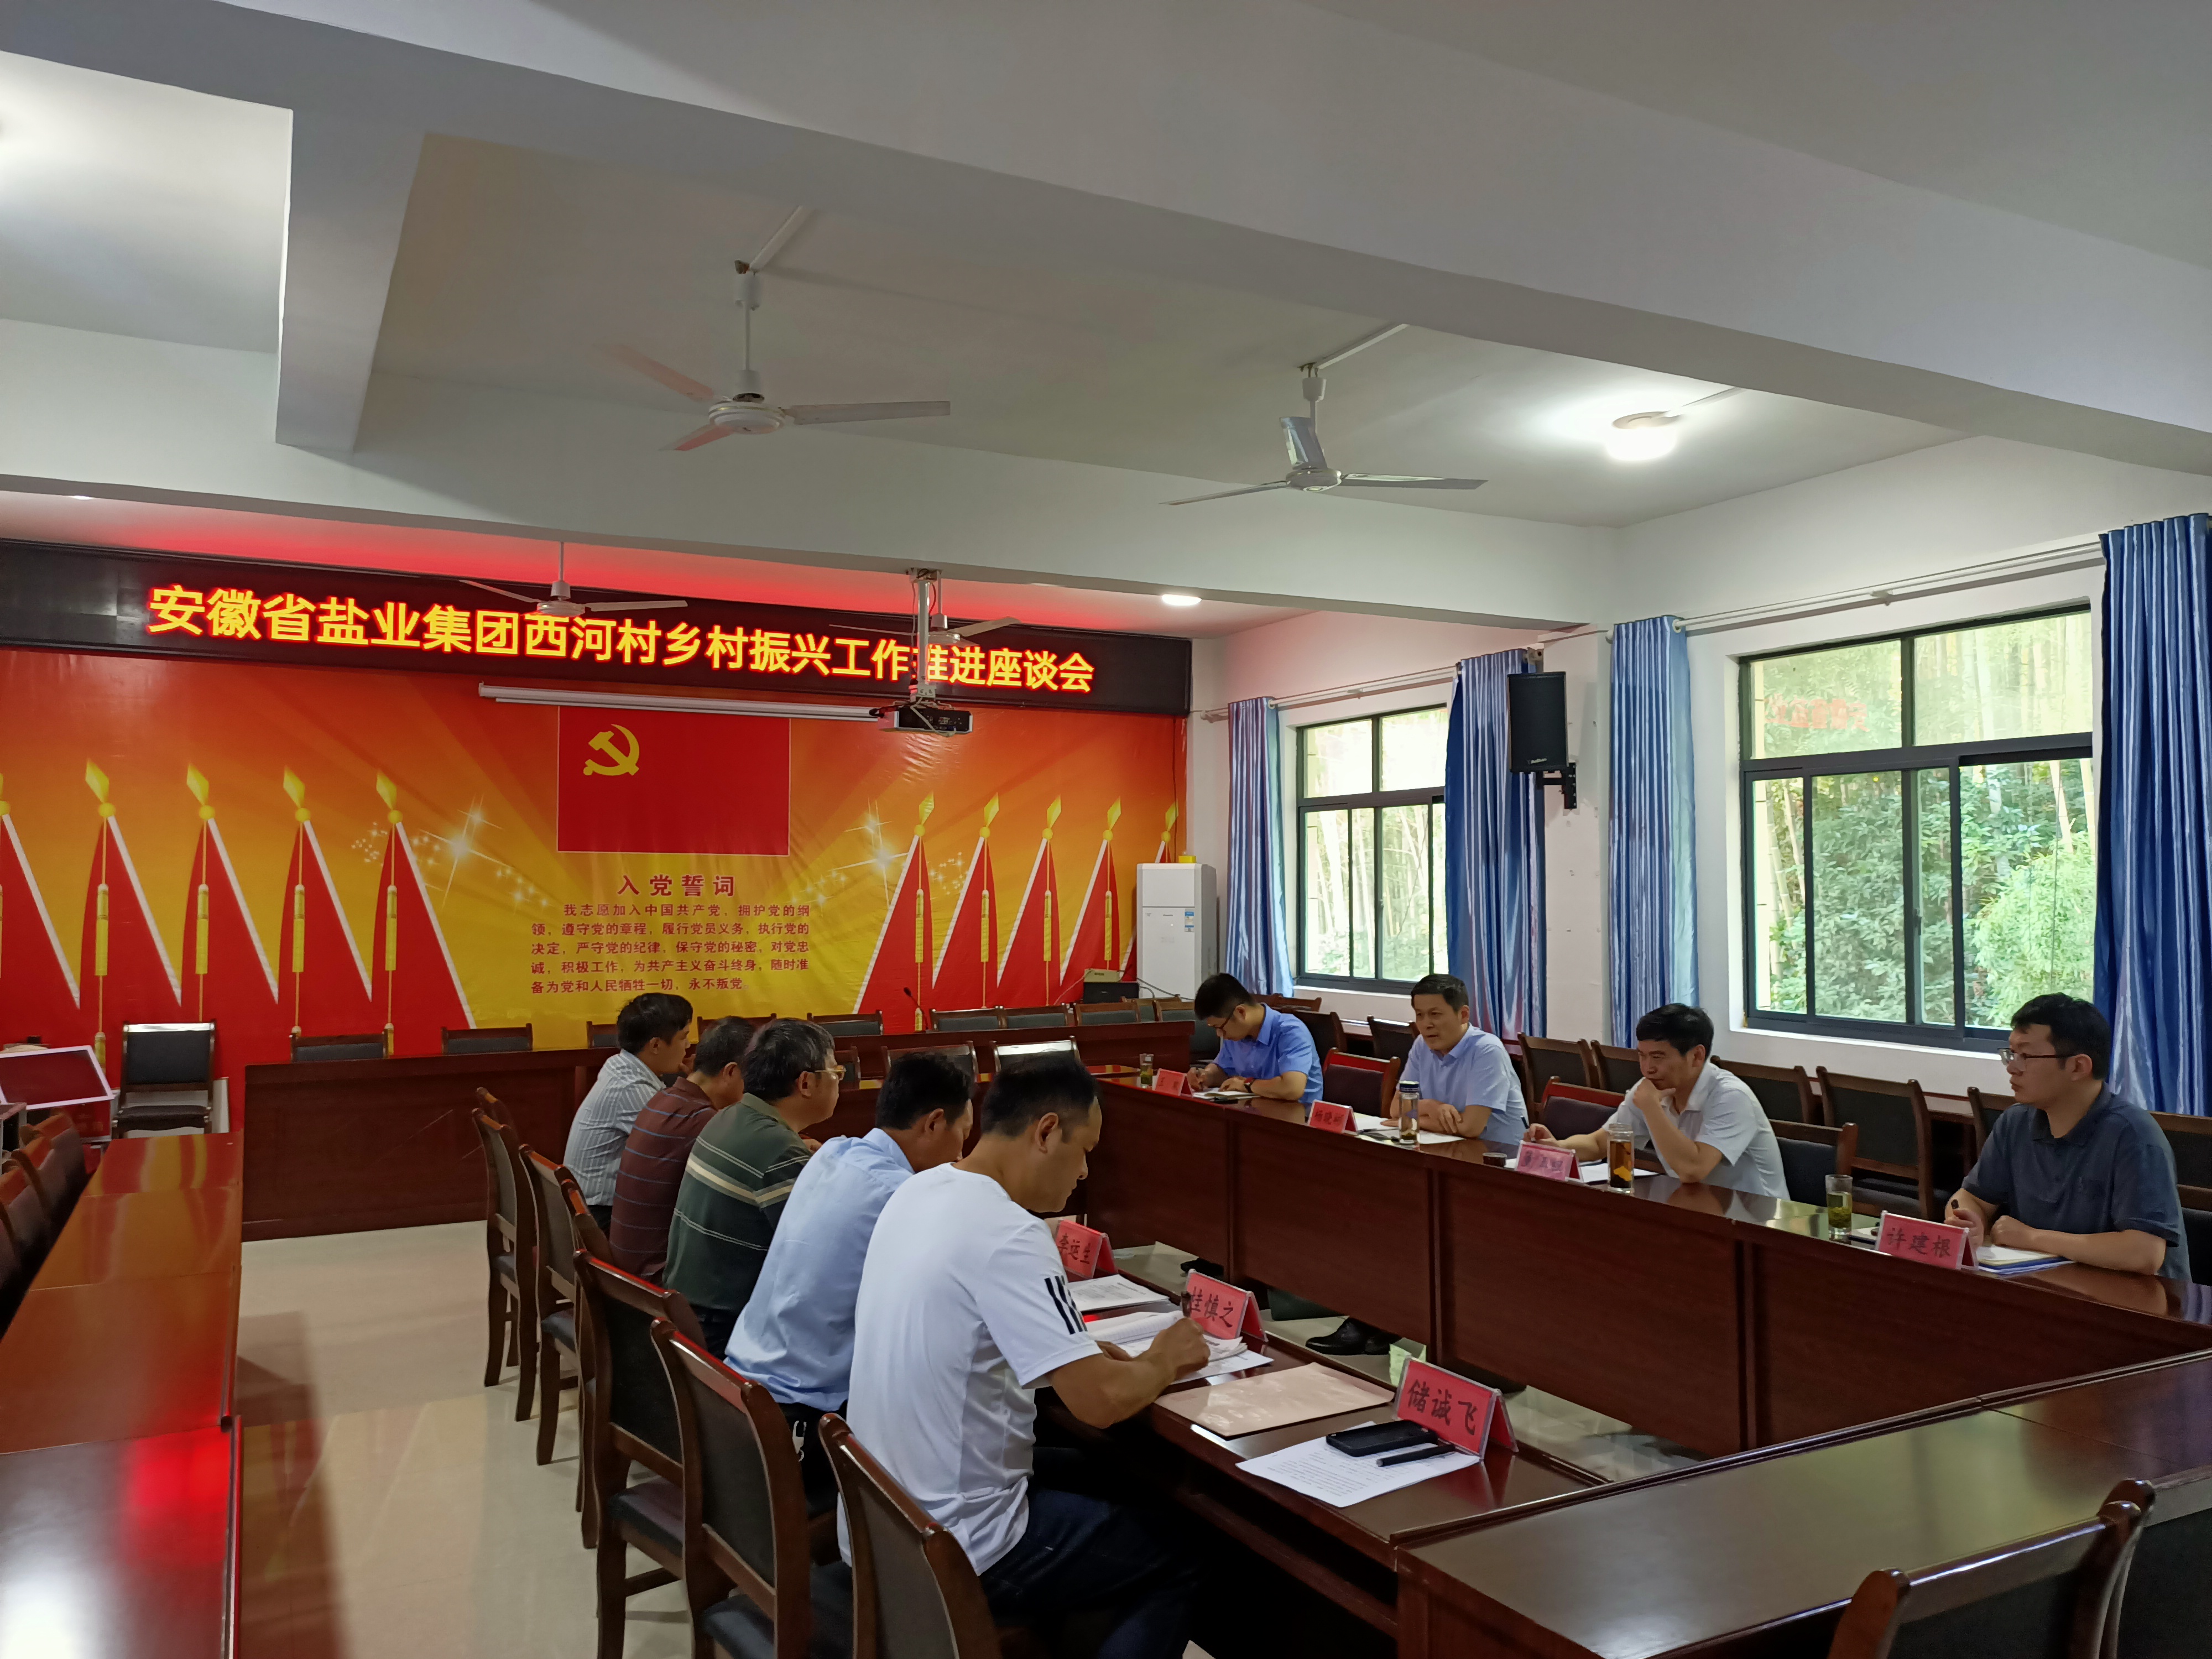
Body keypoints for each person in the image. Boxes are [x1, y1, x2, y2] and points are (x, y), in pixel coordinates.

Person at [848, 1054, 1209, 1659]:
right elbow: (1100, 1402)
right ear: (1045, 1132)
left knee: (1106, 1477)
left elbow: (964, 1332)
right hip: (959, 1544)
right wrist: (1165, 1359)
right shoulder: (1012, 1234)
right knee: (1181, 1552)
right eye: (1084, 1149)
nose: (1086, 1170)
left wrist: (1072, 1350)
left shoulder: (919, 1190)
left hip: (879, 1519)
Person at [723, 1048, 975, 1514]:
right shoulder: (901, 1195)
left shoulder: (834, 1152)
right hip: (802, 1423)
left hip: (739, 1390)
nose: (962, 1151)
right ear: (934, 1123)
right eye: (963, 1132)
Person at [1310, 972, 1527, 1358]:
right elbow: (1397, 1111)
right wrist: (1431, 1107)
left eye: (1435, 1015)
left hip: (1494, 1174)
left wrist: (1418, 1115)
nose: (1426, 1025)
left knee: (1414, 1231)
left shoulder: (1487, 1051)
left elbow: (1471, 1127)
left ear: (1463, 1014)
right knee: (1384, 1220)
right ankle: (1380, 1318)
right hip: (1443, 1159)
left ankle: (1386, 1321)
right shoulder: (1422, 1047)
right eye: (1420, 1015)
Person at [1945, 995, 2188, 1280]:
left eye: (2026, 1056)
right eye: (2011, 1054)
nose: (2012, 1067)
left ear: (2078, 1067)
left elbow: (2144, 1253)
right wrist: (1968, 1220)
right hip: (2052, 1285)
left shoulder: (2133, 1135)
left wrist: (2032, 1238)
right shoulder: (2015, 1123)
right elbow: (1970, 1197)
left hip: (2138, 1298)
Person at [665, 1019, 842, 1352]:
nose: (838, 1081)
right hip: (724, 1331)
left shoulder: (729, 1116)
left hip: (689, 1313)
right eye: (835, 1072)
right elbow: (819, 1259)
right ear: (806, 1083)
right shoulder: (779, 1152)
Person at [1526, 1003, 1787, 1200]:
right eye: (1642, 1056)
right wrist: (1558, 1147)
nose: (1647, 1068)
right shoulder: (1650, 1089)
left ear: (1697, 1056)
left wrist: (1651, 1108)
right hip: (1696, 1206)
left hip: (1760, 1222)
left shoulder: (1731, 1097)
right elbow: (1599, 1143)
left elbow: (1693, 1170)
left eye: (1658, 1057)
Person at [608, 1017, 753, 1281]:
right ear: (731, 1073)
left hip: (630, 1267)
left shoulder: (665, 1098)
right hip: (656, 1278)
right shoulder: (702, 1121)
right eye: (755, 1076)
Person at [562, 992, 693, 1233]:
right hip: (598, 1217)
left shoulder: (624, 1066)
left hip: (588, 1206)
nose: (688, 1047)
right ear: (656, 1045)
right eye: (683, 1038)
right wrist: (702, 1086)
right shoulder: (631, 1088)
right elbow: (683, 1146)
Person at [1185, 973, 1321, 1105]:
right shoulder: (1237, 1035)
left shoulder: (1291, 1031)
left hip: (1297, 1115)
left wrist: (1247, 1084)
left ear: (1241, 1012)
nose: (1219, 1034)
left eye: (1220, 1028)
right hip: (1256, 1110)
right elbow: (1224, 1070)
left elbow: (1292, 1089)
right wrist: (1207, 1076)